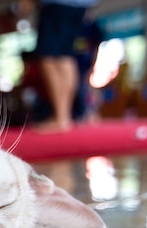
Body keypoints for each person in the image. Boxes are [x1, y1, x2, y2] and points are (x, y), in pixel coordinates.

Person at [27, 0, 98, 132]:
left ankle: (61, 117)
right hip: (79, 5)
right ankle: (64, 117)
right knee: (65, 55)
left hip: (57, 4)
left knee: (48, 56)